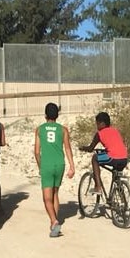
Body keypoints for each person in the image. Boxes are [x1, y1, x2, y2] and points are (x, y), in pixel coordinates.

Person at [34, 102, 74, 238]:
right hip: (60, 164)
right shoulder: (63, 130)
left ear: (45, 115)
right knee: (55, 193)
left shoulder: (39, 129)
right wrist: (72, 166)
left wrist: (40, 166)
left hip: (47, 164)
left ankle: (54, 221)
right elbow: (68, 148)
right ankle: (54, 223)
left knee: (46, 198)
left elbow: (37, 152)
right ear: (57, 115)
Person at [79, 111, 128, 196]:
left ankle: (98, 186)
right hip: (124, 158)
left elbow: (91, 148)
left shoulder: (99, 133)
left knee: (95, 158)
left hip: (113, 157)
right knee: (116, 176)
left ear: (102, 123)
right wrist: (105, 151)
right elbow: (115, 146)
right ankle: (121, 196)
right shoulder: (115, 131)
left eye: (97, 124)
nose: (97, 126)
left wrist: (83, 148)